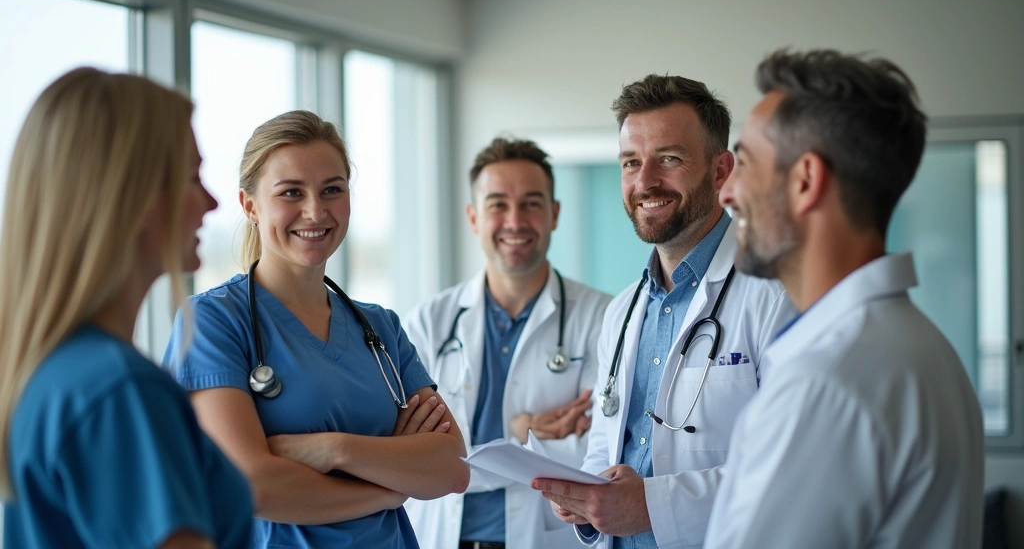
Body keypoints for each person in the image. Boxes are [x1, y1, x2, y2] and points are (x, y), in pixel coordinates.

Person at [705, 49, 984, 547]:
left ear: (806, 181)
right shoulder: (923, 348)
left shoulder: (825, 382)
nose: (727, 192)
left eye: (743, 163)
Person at [162, 109, 470, 548]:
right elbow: (256, 486)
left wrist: (333, 450)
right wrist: (393, 487)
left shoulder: (380, 327)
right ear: (250, 205)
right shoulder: (213, 322)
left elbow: (451, 467)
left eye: (332, 190)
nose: (315, 211)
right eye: (291, 192)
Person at [532, 75, 796, 548]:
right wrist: (587, 501)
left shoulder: (775, 295)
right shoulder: (622, 312)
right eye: (631, 162)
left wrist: (655, 504)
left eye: (669, 159)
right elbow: (606, 444)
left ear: (720, 172)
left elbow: (796, 466)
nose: (645, 181)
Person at [0, 67, 250, 548]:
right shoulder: (121, 392)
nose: (212, 203)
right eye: (192, 177)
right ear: (132, 196)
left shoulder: (53, 374)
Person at [403, 137, 612, 549]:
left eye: (532, 203)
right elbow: (405, 454)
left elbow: (596, 455)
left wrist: (453, 458)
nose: (515, 220)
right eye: (498, 204)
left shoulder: (603, 318)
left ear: (554, 214)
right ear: (473, 217)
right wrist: (524, 436)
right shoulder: (430, 322)